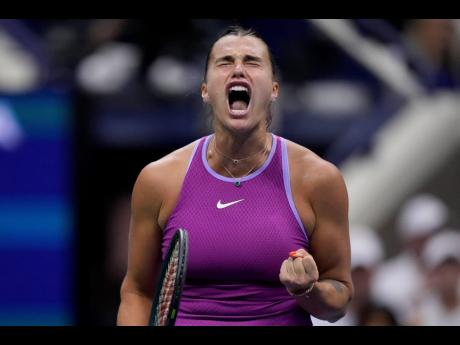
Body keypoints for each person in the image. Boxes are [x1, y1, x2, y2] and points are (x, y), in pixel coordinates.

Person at [117, 26, 353, 326]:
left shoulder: (319, 179)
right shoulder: (158, 180)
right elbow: (137, 291)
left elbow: (339, 300)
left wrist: (306, 290)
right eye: (225, 62)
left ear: (274, 89)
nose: (238, 70)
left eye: (252, 62)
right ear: (205, 90)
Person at [371, 193, 449, 325]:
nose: (430, 243)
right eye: (422, 238)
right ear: (407, 240)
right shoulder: (388, 280)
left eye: (435, 233)